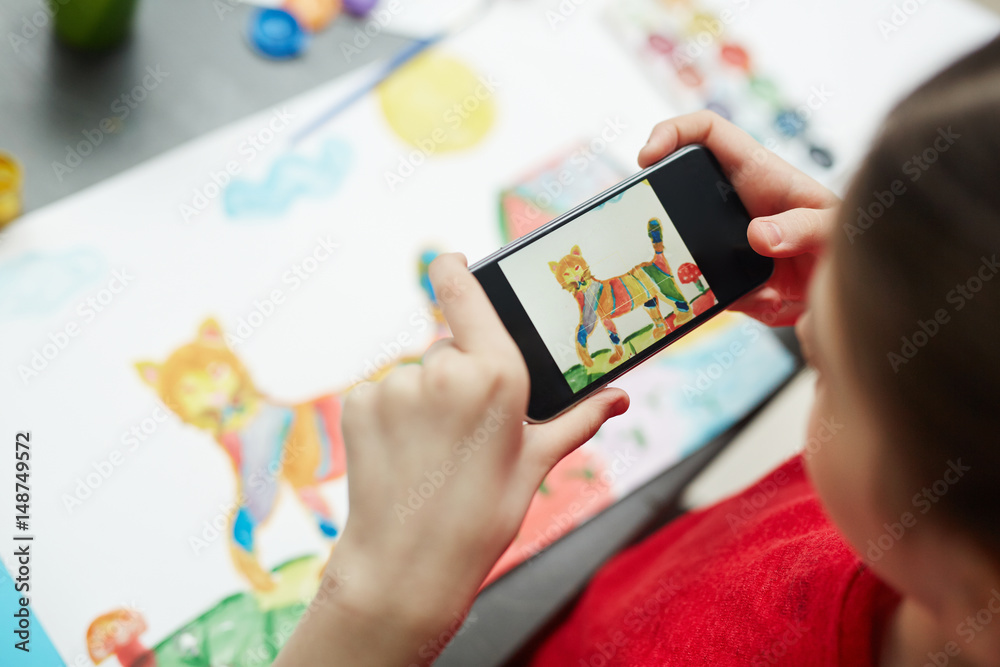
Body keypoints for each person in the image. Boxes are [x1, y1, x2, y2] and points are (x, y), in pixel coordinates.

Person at [274, 37, 1000, 666]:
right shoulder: (934, 513)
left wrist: (367, 616)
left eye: (833, 375)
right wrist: (881, 290)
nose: (809, 331)